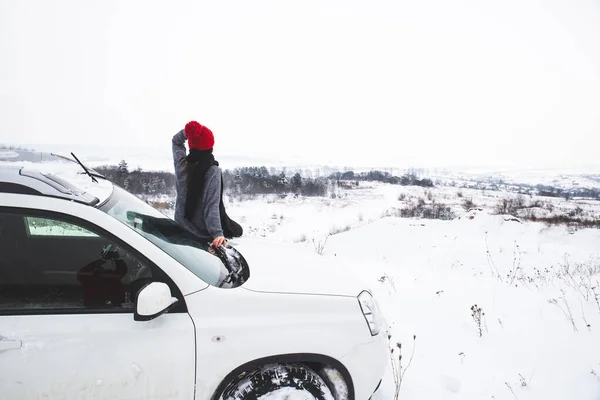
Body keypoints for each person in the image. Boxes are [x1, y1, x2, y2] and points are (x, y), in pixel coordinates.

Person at [172, 121, 242, 250]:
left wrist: (187, 132)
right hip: (201, 233)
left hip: (180, 225)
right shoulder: (212, 170)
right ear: (210, 146)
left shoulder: (182, 164)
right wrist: (217, 234)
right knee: (238, 230)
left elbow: (176, 141)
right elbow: (211, 205)